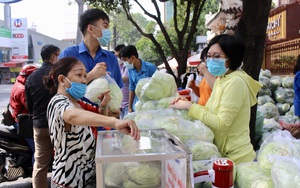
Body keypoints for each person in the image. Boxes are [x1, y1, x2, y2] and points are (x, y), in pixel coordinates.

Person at [43, 57, 140, 188]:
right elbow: (71, 115)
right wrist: (114, 122)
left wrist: (104, 106)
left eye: (85, 75)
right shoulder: (58, 102)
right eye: (79, 75)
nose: (84, 80)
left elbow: (99, 119)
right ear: (62, 80)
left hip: (86, 177)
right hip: (68, 180)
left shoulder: (79, 103)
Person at [169, 34, 262, 165]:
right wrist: (187, 103)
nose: (211, 61)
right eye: (209, 56)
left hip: (238, 159)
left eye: (217, 56)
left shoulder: (235, 82)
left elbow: (221, 123)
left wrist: (190, 107)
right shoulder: (221, 79)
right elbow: (210, 111)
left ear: (232, 58)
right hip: (224, 156)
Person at [59, 8, 122, 117]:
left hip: (104, 123)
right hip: (77, 123)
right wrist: (91, 75)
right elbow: (61, 92)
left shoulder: (111, 58)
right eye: (105, 26)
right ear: (91, 28)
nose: (108, 32)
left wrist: (116, 109)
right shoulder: (68, 55)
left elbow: (116, 90)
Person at [25, 44, 60, 188]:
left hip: (39, 126)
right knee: (61, 161)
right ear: (53, 57)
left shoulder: (31, 78)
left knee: (40, 165)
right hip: (59, 125)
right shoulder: (58, 75)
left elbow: (29, 106)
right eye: (58, 56)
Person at [9, 64, 37, 163]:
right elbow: (31, 108)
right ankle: (37, 175)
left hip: (17, 119)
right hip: (23, 123)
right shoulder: (23, 90)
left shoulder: (17, 84)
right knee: (38, 150)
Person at [120, 45, 157, 112]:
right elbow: (132, 88)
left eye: (125, 60)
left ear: (132, 57)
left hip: (151, 106)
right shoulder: (130, 70)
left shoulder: (150, 68)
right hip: (137, 106)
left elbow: (157, 86)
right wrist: (130, 107)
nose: (124, 63)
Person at [115, 44, 129, 119]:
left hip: (128, 103)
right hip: (120, 104)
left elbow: (123, 79)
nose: (118, 58)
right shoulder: (119, 66)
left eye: (118, 56)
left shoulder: (128, 66)